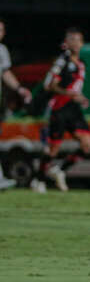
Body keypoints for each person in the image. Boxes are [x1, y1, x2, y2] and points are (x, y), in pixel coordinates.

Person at [31, 28, 90, 193]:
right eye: (72, 39)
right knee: (53, 149)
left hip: (74, 108)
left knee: (87, 145)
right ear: (67, 42)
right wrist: (70, 94)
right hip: (59, 107)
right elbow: (50, 85)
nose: (75, 43)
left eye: (78, 40)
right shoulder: (62, 62)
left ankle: (59, 170)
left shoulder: (82, 63)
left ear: (82, 43)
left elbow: (76, 88)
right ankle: (39, 180)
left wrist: (80, 97)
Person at [0, 18, 33, 190]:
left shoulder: (2, 50)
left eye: (2, 30)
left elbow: (5, 73)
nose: (0, 33)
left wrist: (20, 89)